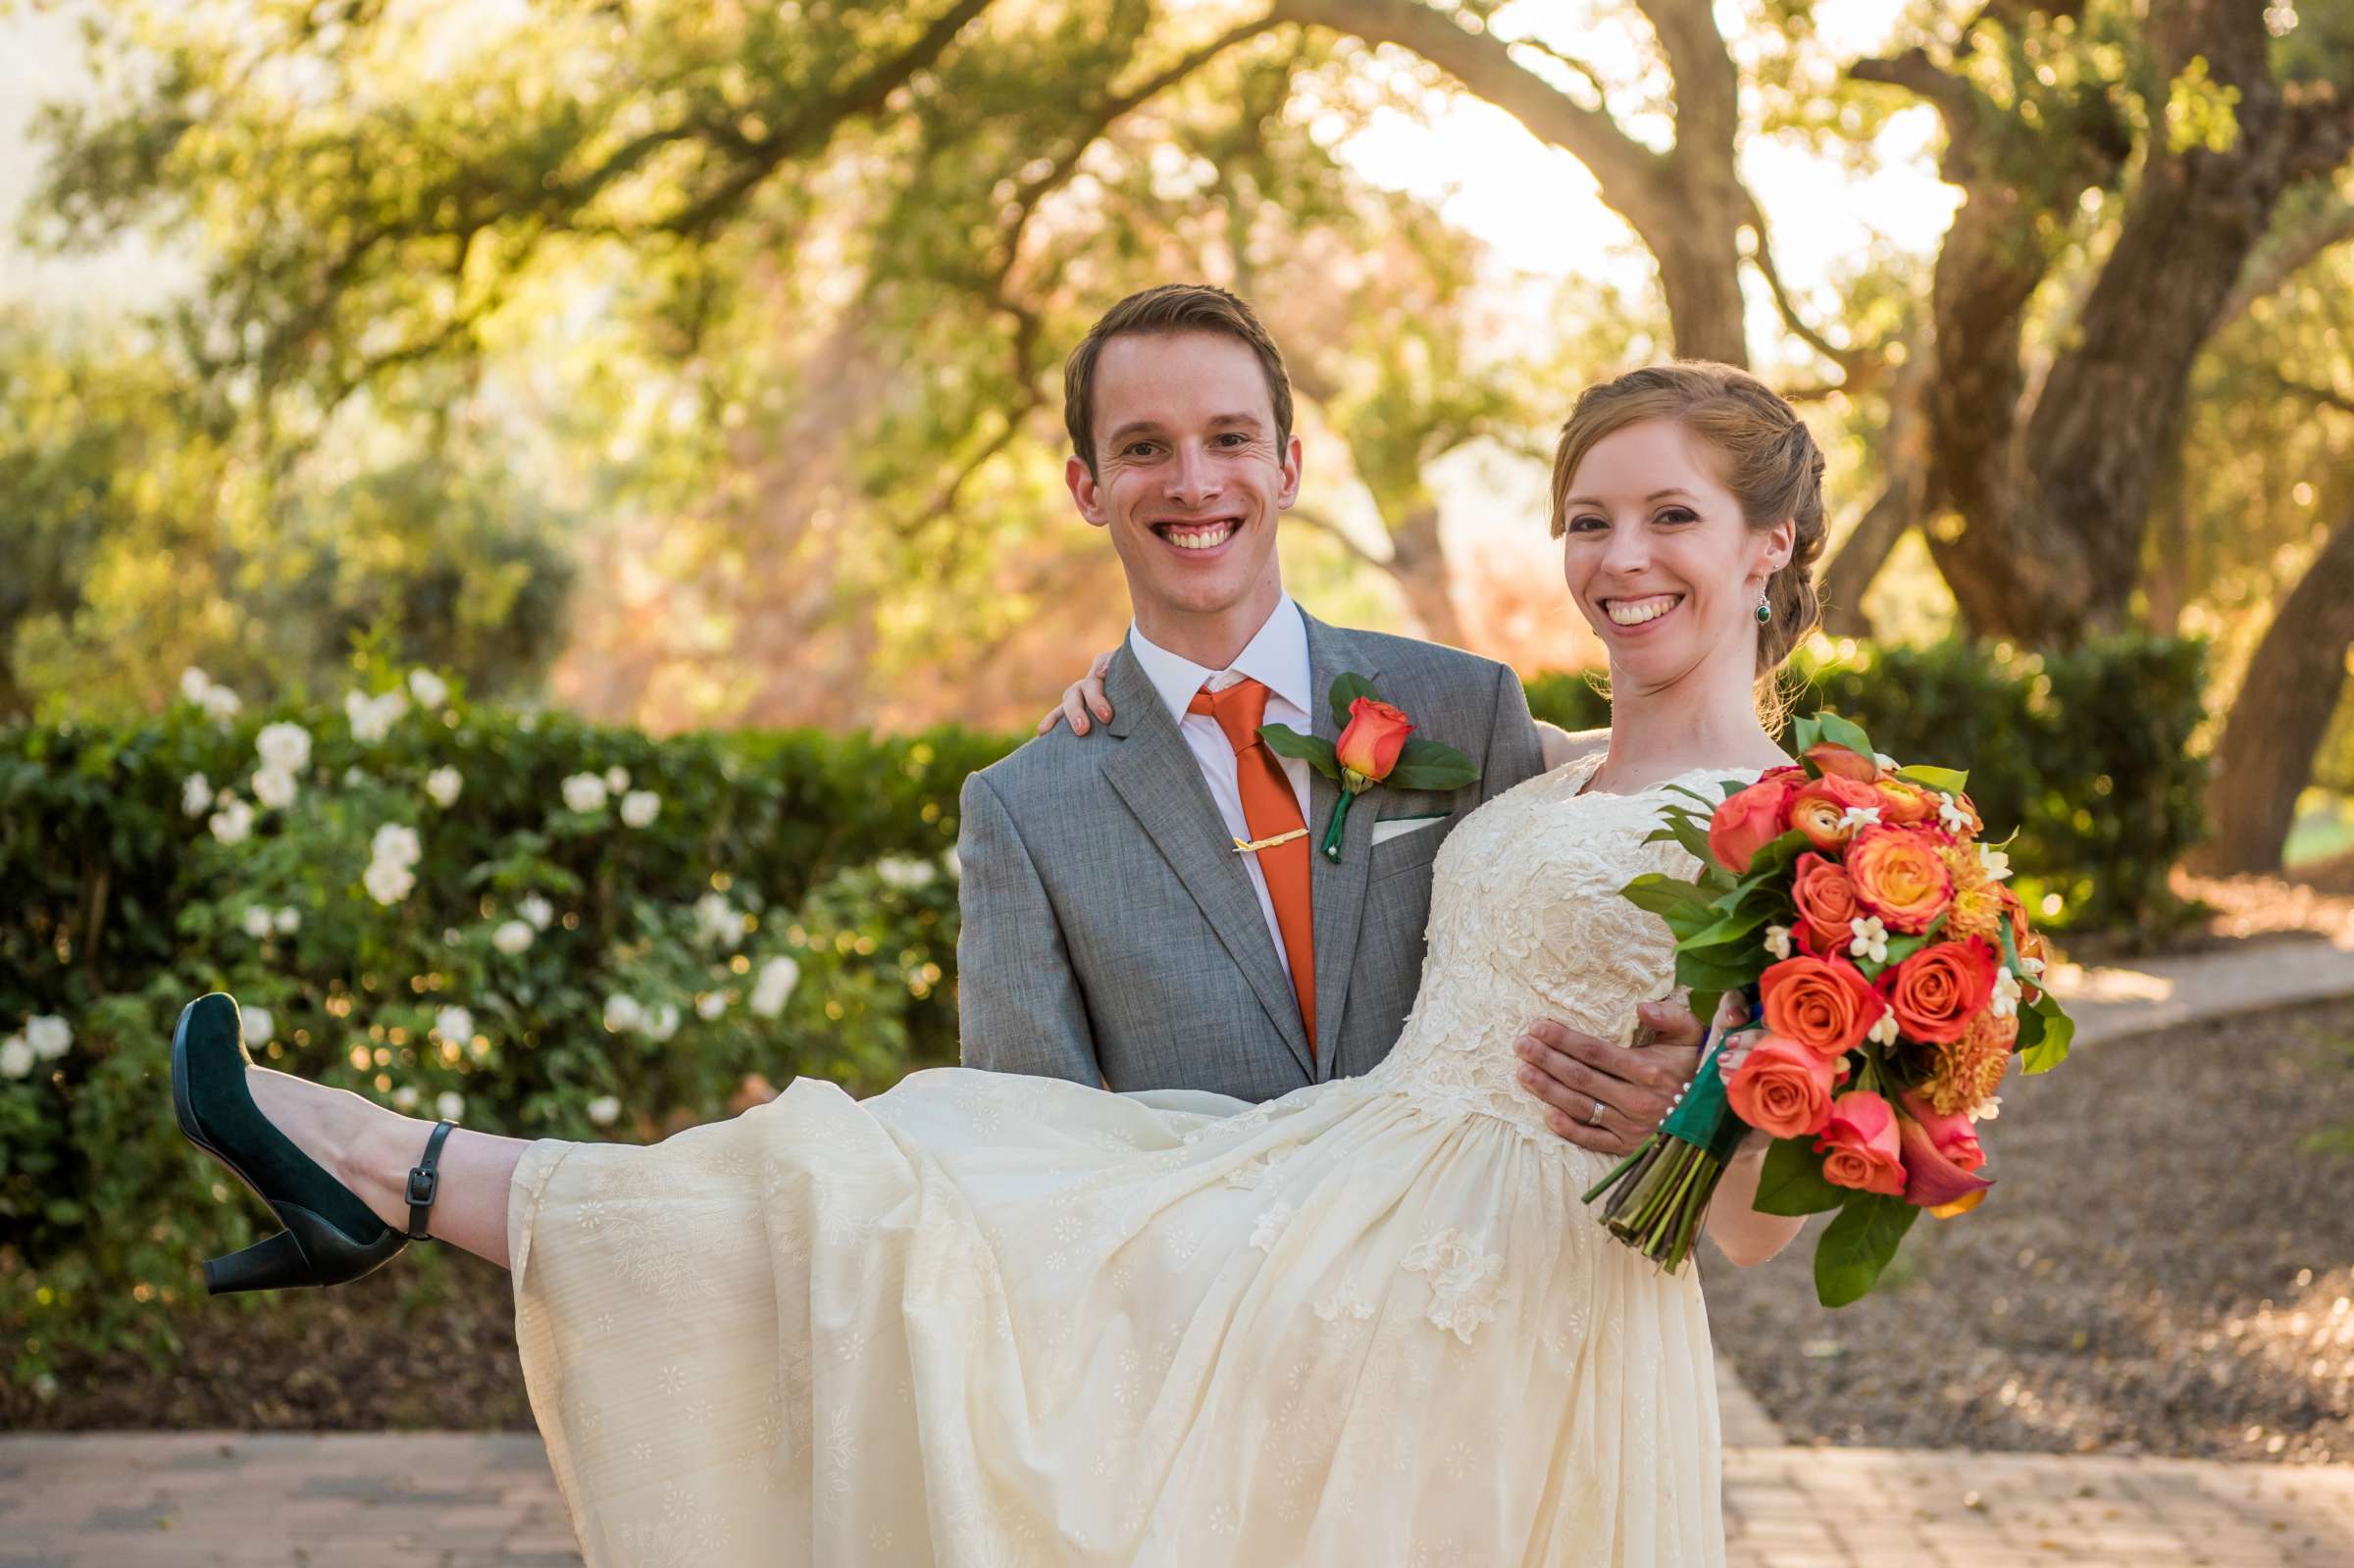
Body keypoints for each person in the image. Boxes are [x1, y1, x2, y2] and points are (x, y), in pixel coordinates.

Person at [170, 349, 1824, 1564]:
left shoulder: (1813, 836)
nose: (1620, 561)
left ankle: (391, 1169)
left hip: (1488, 1299)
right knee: (873, 1213)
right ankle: (397, 1165)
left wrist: (1704, 1109)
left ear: (1769, 542)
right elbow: (1557, 811)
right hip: (1276, 1227)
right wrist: (1124, 740)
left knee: (876, 1216)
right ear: (1088, 484)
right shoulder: (1543, 759)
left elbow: (1754, 1221)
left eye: (1670, 517)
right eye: (1589, 521)